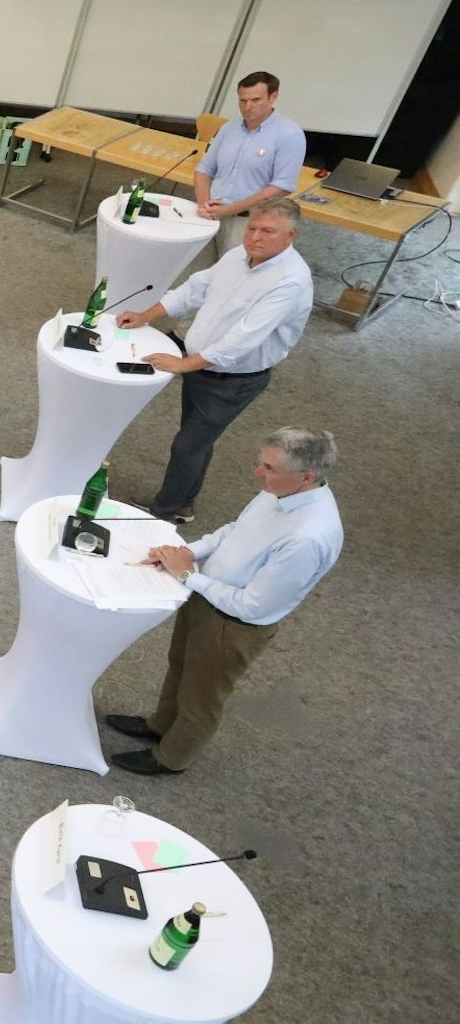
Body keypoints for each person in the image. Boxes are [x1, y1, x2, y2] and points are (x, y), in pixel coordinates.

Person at [106, 426, 346, 776]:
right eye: (262, 463)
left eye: (268, 468)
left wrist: (187, 574)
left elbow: (253, 606)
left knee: (201, 697)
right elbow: (235, 530)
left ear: (306, 477)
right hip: (205, 594)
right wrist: (186, 553)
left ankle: (171, 758)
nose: (257, 473)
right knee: (180, 666)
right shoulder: (279, 491)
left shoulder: (308, 537)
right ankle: (159, 725)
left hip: (232, 627)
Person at [118, 199, 313, 523]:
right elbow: (196, 289)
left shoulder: (290, 281)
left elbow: (241, 341)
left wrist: (181, 364)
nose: (255, 237)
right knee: (196, 441)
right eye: (252, 227)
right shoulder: (240, 254)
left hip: (231, 380)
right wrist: (146, 315)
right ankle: (183, 504)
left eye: (268, 231)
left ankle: (162, 514)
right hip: (202, 367)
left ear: (290, 235)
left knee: (187, 445)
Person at [195, 71, 306, 257]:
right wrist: (203, 204)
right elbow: (204, 169)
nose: (247, 107)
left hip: (246, 222)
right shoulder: (229, 128)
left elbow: (281, 187)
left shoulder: (290, 134)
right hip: (210, 215)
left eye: (255, 100)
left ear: (273, 97)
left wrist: (229, 210)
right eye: (242, 100)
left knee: (233, 279)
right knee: (197, 275)